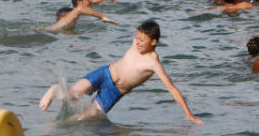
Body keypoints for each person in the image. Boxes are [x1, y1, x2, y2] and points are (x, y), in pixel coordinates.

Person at [39, 20, 204, 125]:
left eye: (142, 40)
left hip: (114, 92)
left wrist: (189, 114)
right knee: (73, 94)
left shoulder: (153, 62)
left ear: (153, 42)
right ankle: (55, 90)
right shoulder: (136, 42)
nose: (137, 43)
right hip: (104, 73)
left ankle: (56, 127)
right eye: (137, 38)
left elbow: (172, 88)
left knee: (84, 118)